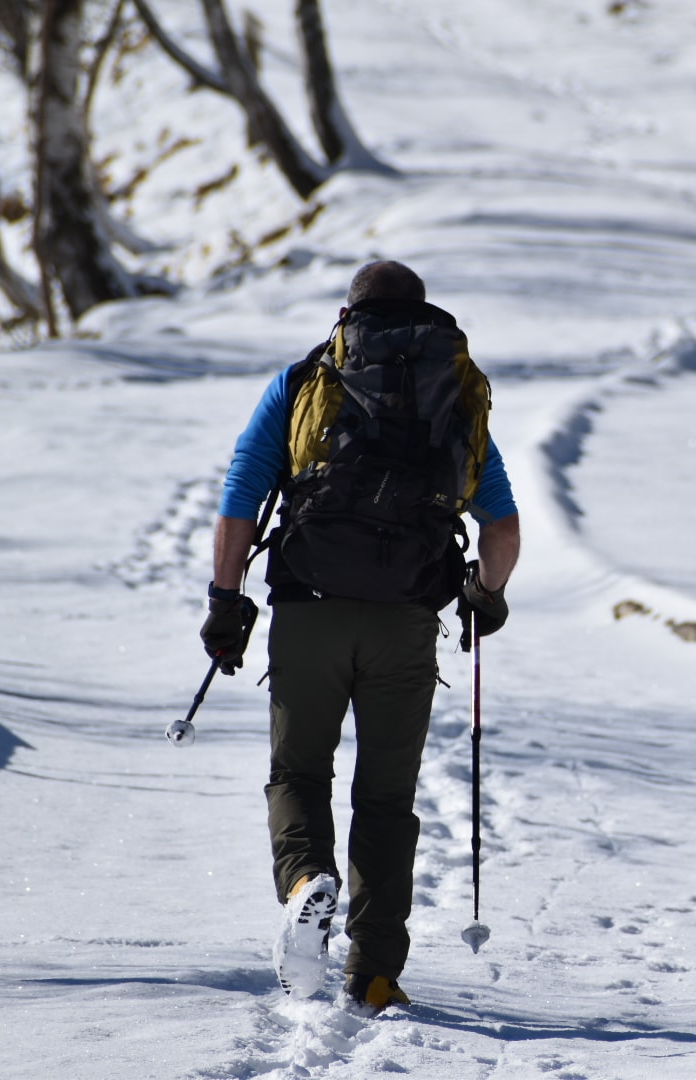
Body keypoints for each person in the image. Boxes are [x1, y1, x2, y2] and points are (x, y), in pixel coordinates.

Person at [200, 260, 519, 1012]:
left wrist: (225, 600)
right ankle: (374, 972)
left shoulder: (304, 382)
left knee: (299, 773)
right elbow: (501, 528)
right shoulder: (454, 392)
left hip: (310, 607)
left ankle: (306, 882)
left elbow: (241, 498)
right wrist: (485, 595)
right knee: (386, 797)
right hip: (405, 621)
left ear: (348, 317)